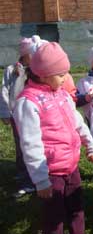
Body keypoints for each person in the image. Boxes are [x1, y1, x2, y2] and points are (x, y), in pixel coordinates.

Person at [13, 42, 93, 234]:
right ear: (44, 75)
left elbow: (77, 121)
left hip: (71, 166)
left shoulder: (62, 94)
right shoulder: (29, 102)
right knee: (54, 218)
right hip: (51, 172)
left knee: (77, 209)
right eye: (61, 74)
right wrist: (41, 180)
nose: (66, 78)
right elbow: (30, 144)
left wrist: (91, 145)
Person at [0, 37, 36, 197]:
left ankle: (38, 176)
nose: (34, 56)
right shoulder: (11, 70)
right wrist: (5, 113)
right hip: (17, 116)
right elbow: (4, 92)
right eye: (31, 53)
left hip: (34, 116)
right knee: (21, 148)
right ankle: (25, 179)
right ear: (24, 54)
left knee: (35, 146)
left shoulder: (37, 69)